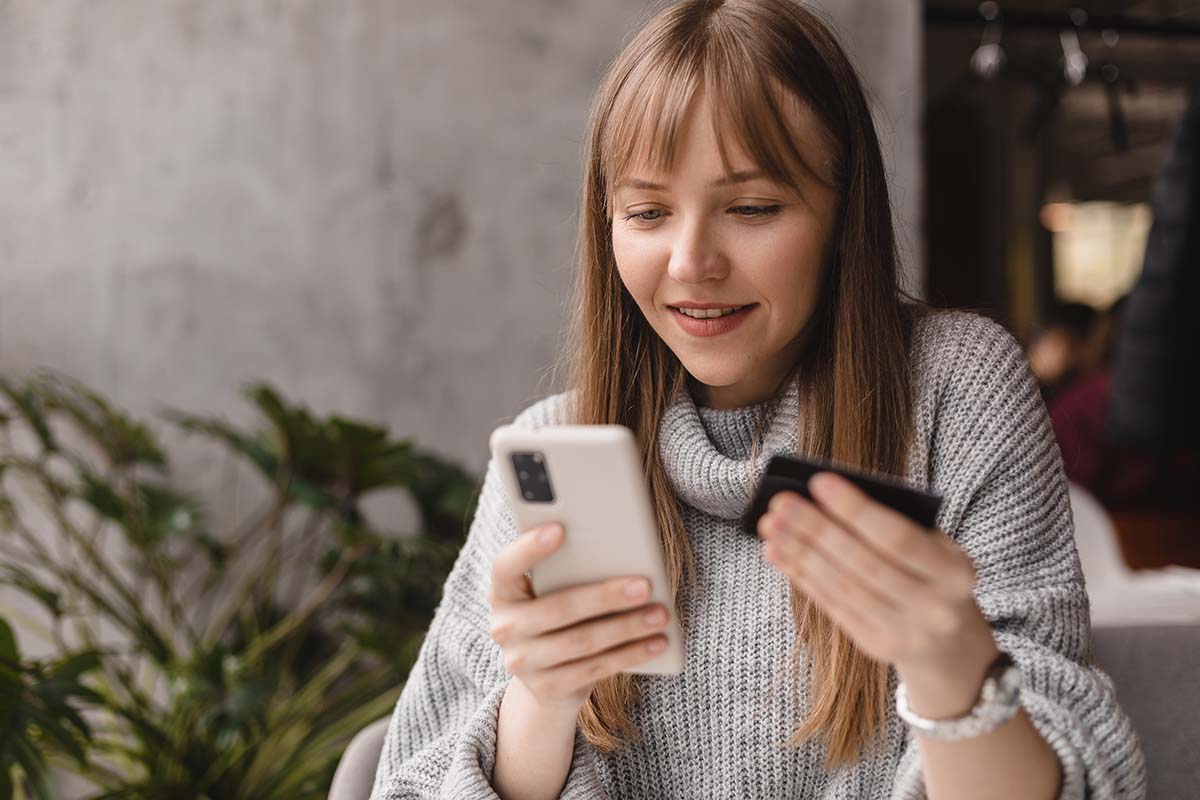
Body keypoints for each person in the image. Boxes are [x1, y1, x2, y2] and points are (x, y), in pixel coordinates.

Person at [370, 1, 1145, 798]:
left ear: (844, 215)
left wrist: (950, 662)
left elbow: (1072, 776)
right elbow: (407, 782)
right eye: (646, 212)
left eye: (752, 209)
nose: (691, 261)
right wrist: (542, 699)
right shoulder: (558, 445)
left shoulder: (955, 390)